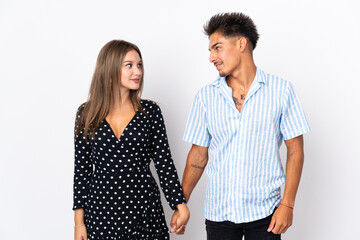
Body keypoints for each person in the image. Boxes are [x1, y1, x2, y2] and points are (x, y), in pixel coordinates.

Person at [170, 12, 310, 239]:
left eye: (217, 48)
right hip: (219, 214)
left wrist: (288, 205)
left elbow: (295, 150)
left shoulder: (281, 91)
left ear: (241, 43)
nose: (211, 57)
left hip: (266, 214)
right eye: (210, 51)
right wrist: (181, 204)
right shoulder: (205, 97)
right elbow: (198, 155)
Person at [72, 40, 189, 240]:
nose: (138, 72)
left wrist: (180, 205)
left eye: (139, 65)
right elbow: (82, 171)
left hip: (143, 209)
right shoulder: (86, 113)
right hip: (101, 213)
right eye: (129, 65)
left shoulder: (150, 112)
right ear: (109, 68)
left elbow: (164, 163)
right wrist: (78, 224)